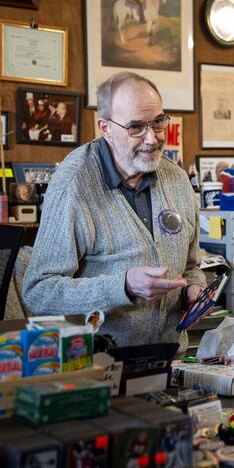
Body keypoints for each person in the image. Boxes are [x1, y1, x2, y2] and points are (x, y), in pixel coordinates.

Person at [23, 71, 206, 348]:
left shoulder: (177, 180)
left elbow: (191, 267)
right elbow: (39, 292)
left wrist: (195, 289)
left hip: (169, 361)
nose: (151, 139)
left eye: (158, 122)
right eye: (135, 127)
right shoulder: (74, 185)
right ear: (105, 128)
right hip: (98, 365)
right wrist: (122, 287)